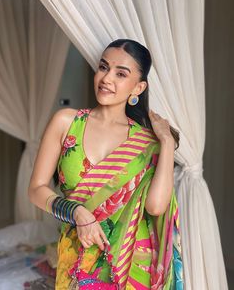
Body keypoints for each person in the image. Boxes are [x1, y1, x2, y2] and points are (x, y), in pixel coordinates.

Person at [28, 39, 183, 290]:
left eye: (121, 73)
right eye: (103, 67)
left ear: (138, 87)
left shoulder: (147, 142)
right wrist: (76, 211)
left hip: (133, 261)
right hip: (78, 255)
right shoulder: (67, 122)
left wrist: (166, 142)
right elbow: (36, 189)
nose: (106, 78)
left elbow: (156, 206)